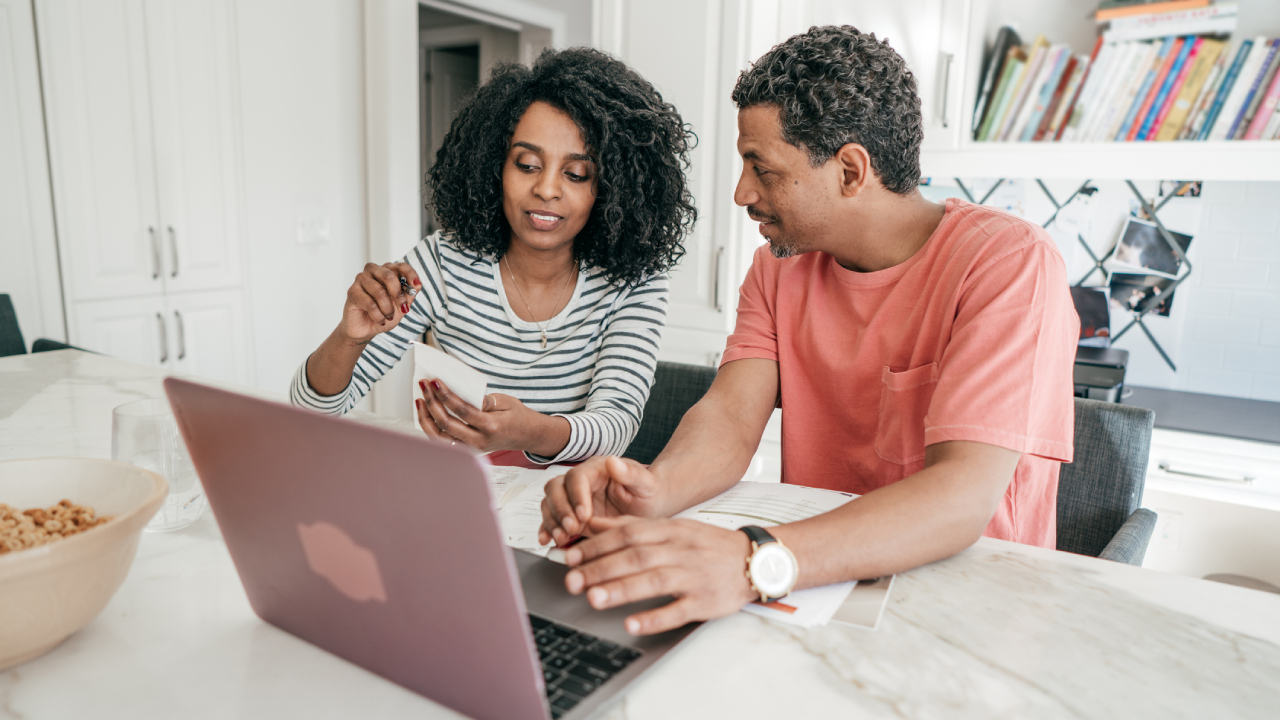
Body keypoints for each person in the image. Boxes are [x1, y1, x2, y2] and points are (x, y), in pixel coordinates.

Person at [538, 26, 1079, 636]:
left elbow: (960, 499)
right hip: (815, 583)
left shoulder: (1008, 263)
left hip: (968, 608)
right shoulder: (777, 268)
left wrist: (751, 560)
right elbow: (729, 419)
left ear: (850, 170)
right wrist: (651, 491)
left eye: (760, 168)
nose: (743, 193)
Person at [291, 48, 696, 464]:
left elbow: (616, 425)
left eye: (576, 174)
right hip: (464, 498)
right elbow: (311, 413)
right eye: (527, 164)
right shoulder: (442, 264)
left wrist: (528, 431)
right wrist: (349, 338)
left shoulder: (633, 281)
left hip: (574, 505)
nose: (547, 189)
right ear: (494, 167)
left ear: (610, 189)